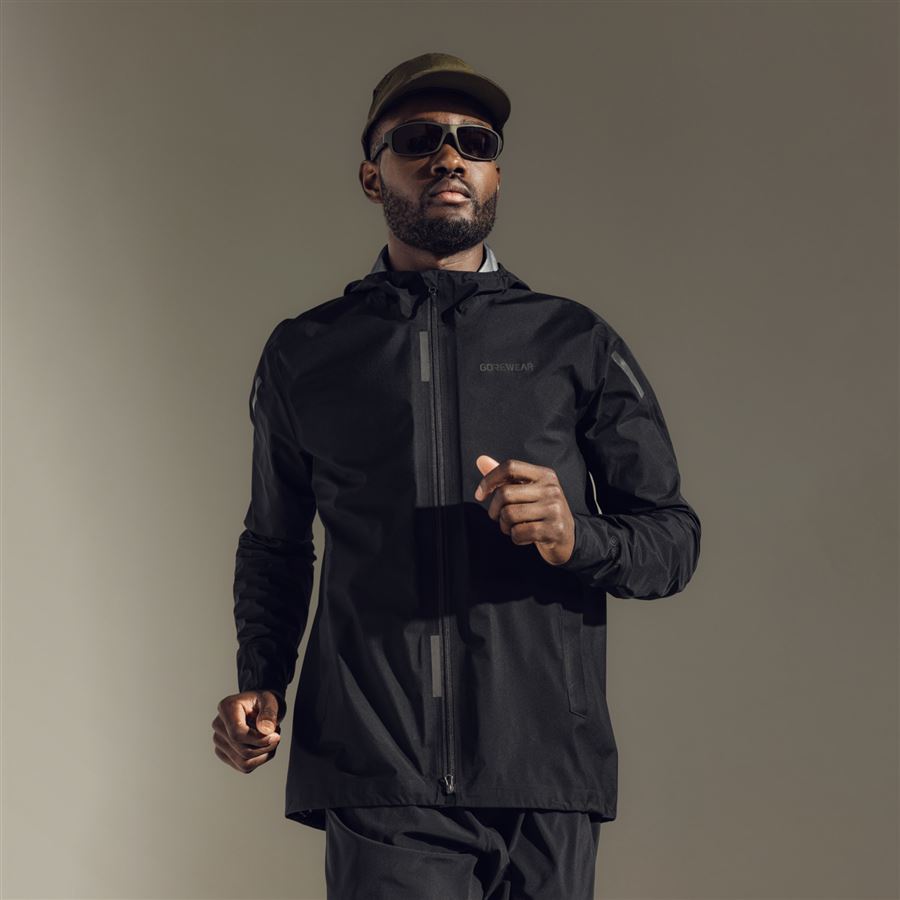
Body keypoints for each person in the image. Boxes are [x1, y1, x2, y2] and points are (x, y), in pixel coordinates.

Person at [211, 51, 702, 899]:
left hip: (546, 776)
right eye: (418, 140)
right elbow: (275, 544)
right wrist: (261, 680)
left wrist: (576, 537)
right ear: (373, 174)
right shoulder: (307, 352)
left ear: (495, 174)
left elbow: (673, 539)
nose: (448, 157)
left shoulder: (572, 341)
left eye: (474, 142)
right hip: (377, 776)